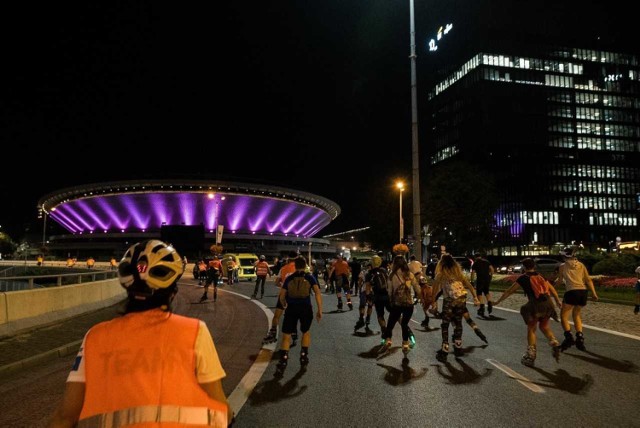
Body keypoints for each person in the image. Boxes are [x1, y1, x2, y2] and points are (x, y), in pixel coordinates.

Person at [48, 239, 233, 427]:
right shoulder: (193, 332)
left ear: (127, 288)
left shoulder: (95, 337)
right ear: (172, 293)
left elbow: (65, 416)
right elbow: (221, 407)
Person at [494, 258, 562, 367]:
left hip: (535, 304)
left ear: (524, 267)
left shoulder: (523, 278)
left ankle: (531, 355)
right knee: (544, 326)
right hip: (548, 303)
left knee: (532, 328)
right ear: (534, 266)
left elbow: (510, 291)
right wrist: (558, 301)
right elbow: (552, 290)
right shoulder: (541, 276)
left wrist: (497, 301)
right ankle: (554, 341)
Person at [431, 254, 486, 362]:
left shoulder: (441, 274)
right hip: (461, 300)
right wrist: (475, 298)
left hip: (449, 301)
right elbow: (470, 286)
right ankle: (458, 347)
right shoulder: (458, 274)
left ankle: (445, 349)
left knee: (445, 324)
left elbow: (434, 290)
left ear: (441, 264)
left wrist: (434, 302)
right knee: (458, 323)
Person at [276, 257, 322, 368]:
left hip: (291, 308)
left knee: (286, 335)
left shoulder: (289, 278)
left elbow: (281, 295)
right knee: (305, 332)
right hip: (305, 308)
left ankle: (283, 359)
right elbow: (317, 293)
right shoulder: (310, 277)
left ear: (295, 266)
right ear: (305, 265)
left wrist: (284, 304)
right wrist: (319, 309)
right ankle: (303, 355)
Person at [554, 247, 599, 351]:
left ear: (564, 256)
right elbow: (588, 280)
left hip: (571, 291)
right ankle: (580, 338)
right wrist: (594, 293)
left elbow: (560, 281)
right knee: (577, 315)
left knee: (564, 316)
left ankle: (568, 337)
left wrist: (551, 289)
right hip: (583, 292)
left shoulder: (562, 266)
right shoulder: (581, 265)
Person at [382, 255, 421, 355]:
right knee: (404, 324)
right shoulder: (409, 274)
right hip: (408, 303)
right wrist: (418, 297)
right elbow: (417, 287)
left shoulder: (392, 275)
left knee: (391, 323)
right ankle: (405, 343)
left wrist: (390, 301)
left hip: (397, 304)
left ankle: (388, 340)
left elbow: (389, 291)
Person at [263, 251, 298, 345]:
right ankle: (294, 334)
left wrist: (283, 285)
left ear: (288, 258)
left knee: (277, 315)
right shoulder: (299, 268)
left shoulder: (283, 268)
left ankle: (273, 333)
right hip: (294, 296)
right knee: (292, 316)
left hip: (283, 294)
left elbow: (277, 282)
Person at [470, 251, 495, 317]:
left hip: (480, 279)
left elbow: (473, 273)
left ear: (475, 257)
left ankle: (482, 307)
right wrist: (490, 276)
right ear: (480, 256)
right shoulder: (486, 261)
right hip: (487, 279)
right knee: (487, 292)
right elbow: (492, 269)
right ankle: (489, 303)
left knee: (479, 293)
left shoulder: (475, 263)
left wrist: (472, 280)